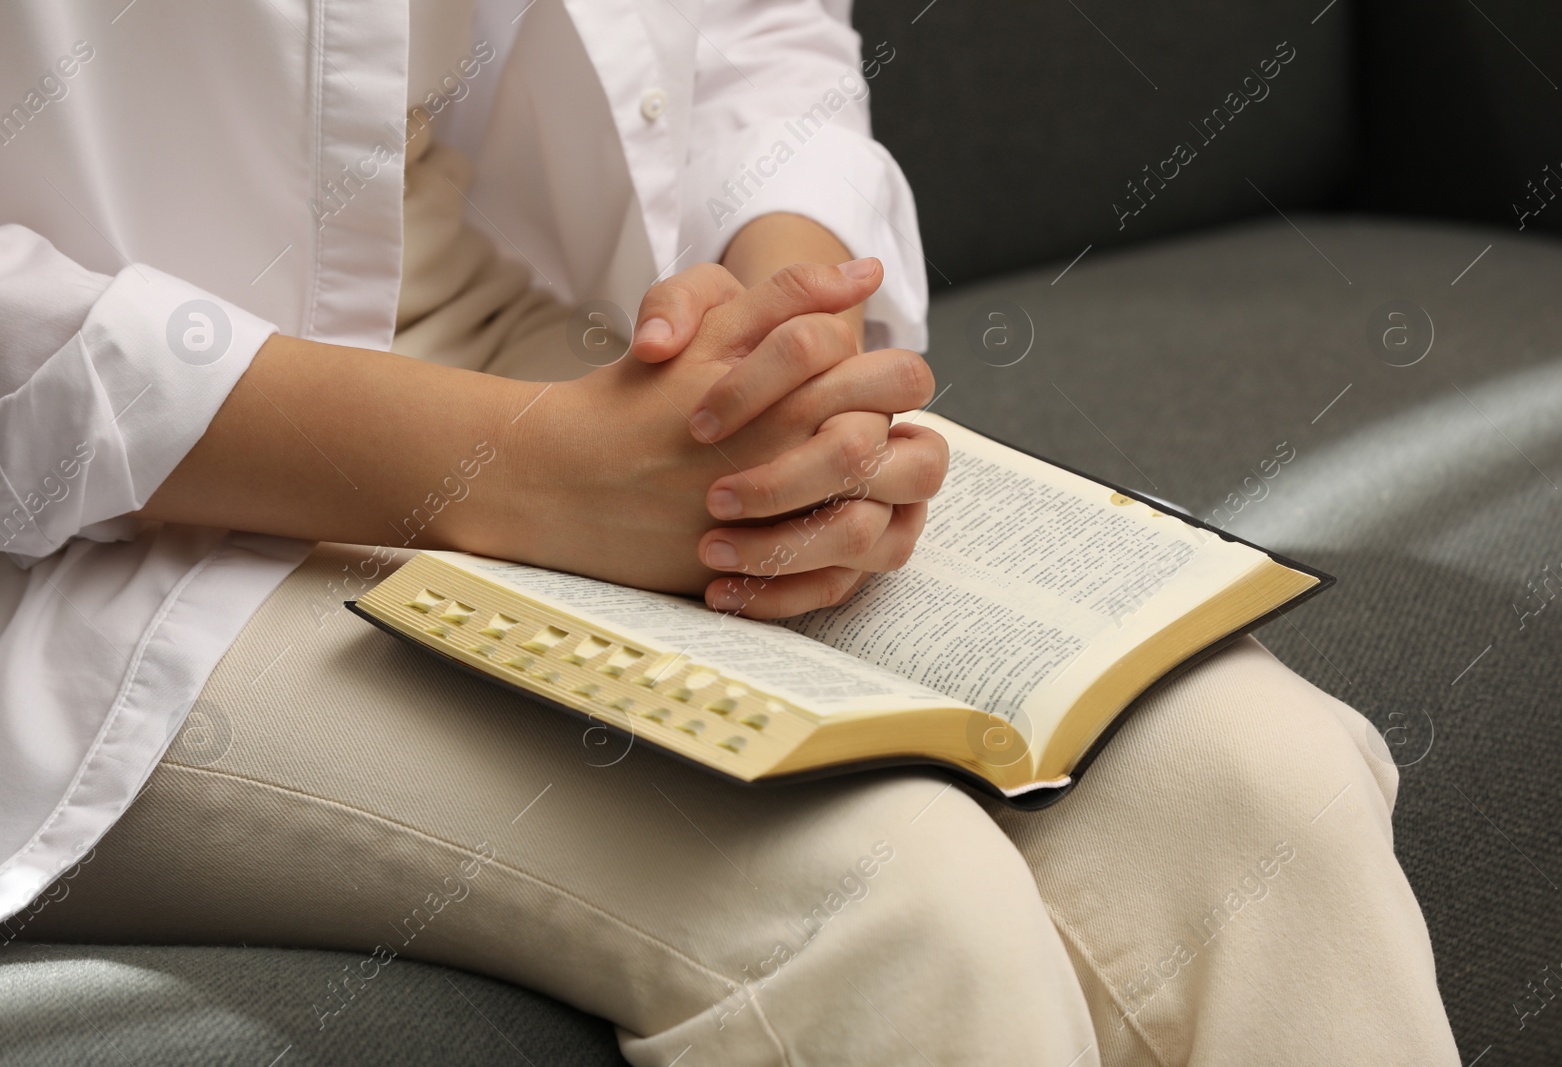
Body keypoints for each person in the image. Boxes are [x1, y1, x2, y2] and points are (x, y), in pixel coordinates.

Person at [0, 2, 1459, 1063]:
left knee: (1268, 792)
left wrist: (785, 316)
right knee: (890, 898)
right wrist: (525, 478)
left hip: (537, 350)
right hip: (109, 514)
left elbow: (751, 26)